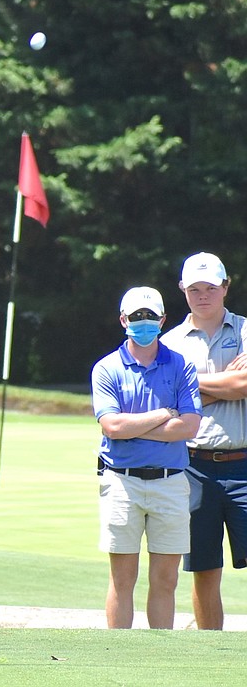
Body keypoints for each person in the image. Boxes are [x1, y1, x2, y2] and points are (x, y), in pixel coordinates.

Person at [91, 286, 202, 629]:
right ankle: (118, 652)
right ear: (123, 320)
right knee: (122, 580)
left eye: (150, 316)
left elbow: (189, 427)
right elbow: (111, 425)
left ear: (162, 320)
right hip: (122, 481)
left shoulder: (180, 365)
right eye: (136, 316)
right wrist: (164, 413)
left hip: (170, 481)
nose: (143, 322)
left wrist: (133, 427)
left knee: (166, 580)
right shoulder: (107, 368)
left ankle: (159, 654)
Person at [162, 252, 247, 630]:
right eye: (194, 289)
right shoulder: (170, 343)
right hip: (193, 466)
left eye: (210, 288)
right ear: (183, 290)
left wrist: (190, 387)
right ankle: (210, 647)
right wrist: (223, 386)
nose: (202, 296)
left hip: (244, 462)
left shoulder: (246, 331)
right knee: (204, 568)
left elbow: (243, 384)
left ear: (226, 287)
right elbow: (167, 404)